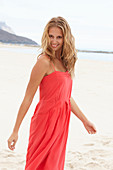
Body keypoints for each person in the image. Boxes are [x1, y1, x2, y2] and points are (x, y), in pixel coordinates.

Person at [7, 16, 97, 170]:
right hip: (45, 121)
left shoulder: (65, 62)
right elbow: (28, 98)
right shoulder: (43, 62)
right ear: (46, 36)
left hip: (61, 122)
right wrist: (15, 131)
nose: (54, 41)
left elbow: (66, 97)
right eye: (51, 36)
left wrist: (84, 120)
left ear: (65, 38)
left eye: (59, 37)